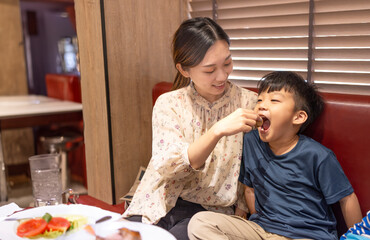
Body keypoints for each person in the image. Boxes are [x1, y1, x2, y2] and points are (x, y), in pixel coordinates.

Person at [122, 17, 261, 240]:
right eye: (209, 70)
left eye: (227, 63)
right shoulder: (169, 103)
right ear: (184, 70)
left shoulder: (249, 103)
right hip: (157, 201)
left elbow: (255, 169)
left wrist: (242, 210)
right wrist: (217, 130)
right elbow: (169, 168)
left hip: (208, 212)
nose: (222, 75)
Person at [188, 71, 363, 240]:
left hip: (308, 234)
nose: (262, 105)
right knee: (200, 223)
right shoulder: (251, 141)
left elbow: (347, 199)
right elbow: (250, 189)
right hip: (262, 230)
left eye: (274, 100)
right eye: (260, 99)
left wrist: (358, 237)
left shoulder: (318, 155)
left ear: (298, 117)